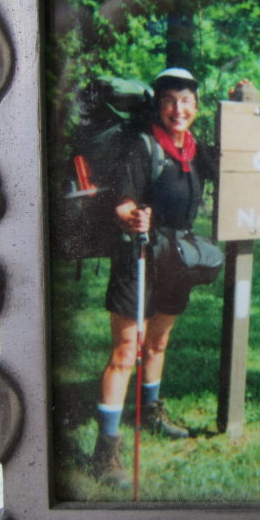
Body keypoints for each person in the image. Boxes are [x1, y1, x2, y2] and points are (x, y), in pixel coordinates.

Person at [91, 67, 218, 487]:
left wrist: (244, 104)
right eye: (169, 101)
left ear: (196, 108)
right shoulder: (141, 145)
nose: (177, 109)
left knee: (159, 340)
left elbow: (238, 163)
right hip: (139, 254)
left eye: (185, 101)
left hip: (176, 255)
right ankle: (105, 449)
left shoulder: (196, 150)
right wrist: (133, 218)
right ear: (158, 105)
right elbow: (122, 204)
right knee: (128, 349)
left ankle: (152, 411)